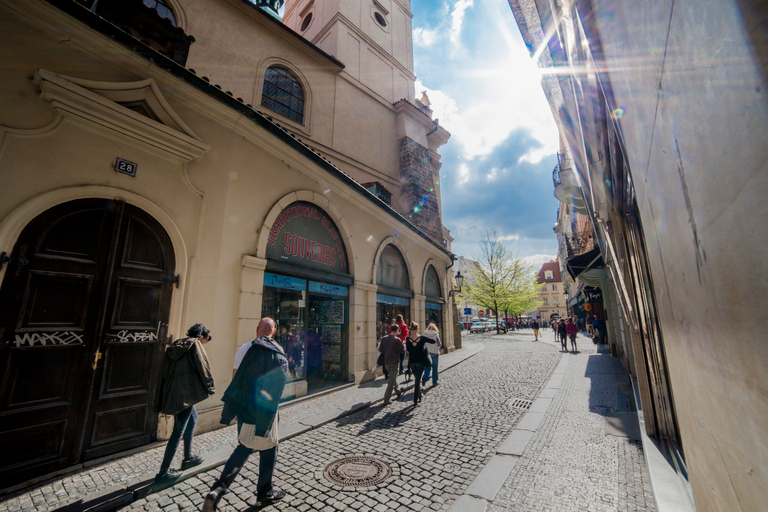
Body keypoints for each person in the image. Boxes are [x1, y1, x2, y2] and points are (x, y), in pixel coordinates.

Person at [202, 318, 290, 511]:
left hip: (245, 407)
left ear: (257, 329)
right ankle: (264, 494)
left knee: (243, 447)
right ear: (273, 332)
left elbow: (236, 380)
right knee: (269, 450)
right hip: (265, 410)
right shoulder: (278, 350)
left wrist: (234, 408)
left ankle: (219, 489)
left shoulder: (244, 349)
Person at [155, 323, 215, 484]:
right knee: (178, 431)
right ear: (201, 337)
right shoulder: (195, 344)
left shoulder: (177, 345)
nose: (204, 344)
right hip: (185, 394)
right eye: (205, 340)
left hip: (174, 392)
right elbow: (204, 366)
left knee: (192, 419)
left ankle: (188, 457)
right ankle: (163, 473)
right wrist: (210, 387)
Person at [405, 322, 434, 406]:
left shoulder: (408, 339)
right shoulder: (422, 338)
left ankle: (419, 395)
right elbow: (432, 341)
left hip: (412, 362)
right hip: (420, 362)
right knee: (417, 381)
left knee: (417, 379)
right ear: (417, 329)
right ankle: (415, 400)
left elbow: (408, 350)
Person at [379, 324, 404, 404]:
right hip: (394, 362)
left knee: (393, 379)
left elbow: (380, 349)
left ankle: (398, 392)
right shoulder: (397, 340)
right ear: (396, 330)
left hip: (386, 362)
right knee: (391, 380)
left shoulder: (384, 339)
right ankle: (386, 399)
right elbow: (402, 351)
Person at [421, 323, 442, 387]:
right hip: (435, 352)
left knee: (427, 366)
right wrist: (438, 347)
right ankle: (434, 381)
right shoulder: (435, 334)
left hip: (427, 352)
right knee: (435, 367)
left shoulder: (424, 334)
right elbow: (439, 344)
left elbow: (422, 343)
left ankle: (425, 377)